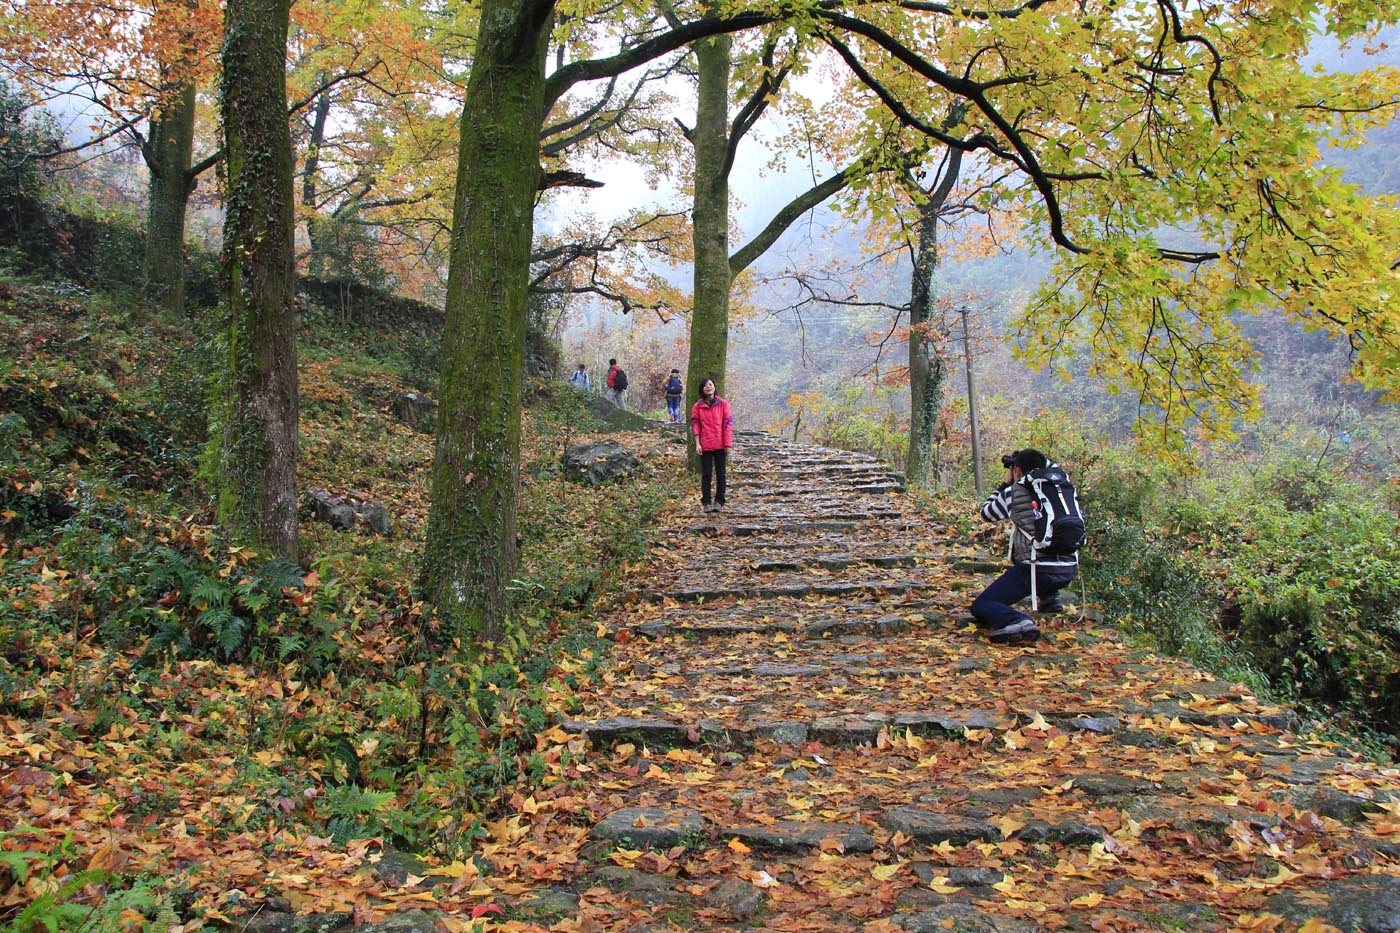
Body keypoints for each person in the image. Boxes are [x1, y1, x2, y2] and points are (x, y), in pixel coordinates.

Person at [970, 448, 1082, 645]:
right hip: (1069, 568)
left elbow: (986, 513)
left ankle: (1019, 621)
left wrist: (1006, 483)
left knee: (983, 605)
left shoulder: (1015, 491)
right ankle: (1049, 598)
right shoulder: (1060, 488)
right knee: (1042, 544)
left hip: (1036, 570)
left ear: (1018, 471)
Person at [690, 377, 733, 513]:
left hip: (720, 445)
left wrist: (727, 443)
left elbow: (727, 423)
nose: (708, 387)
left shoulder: (723, 404)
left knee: (721, 474)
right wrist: (697, 444)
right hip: (705, 444)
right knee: (706, 474)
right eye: (706, 385)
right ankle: (706, 502)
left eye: (711, 384)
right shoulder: (697, 406)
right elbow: (696, 425)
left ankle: (719, 501)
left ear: (714, 387)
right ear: (702, 389)